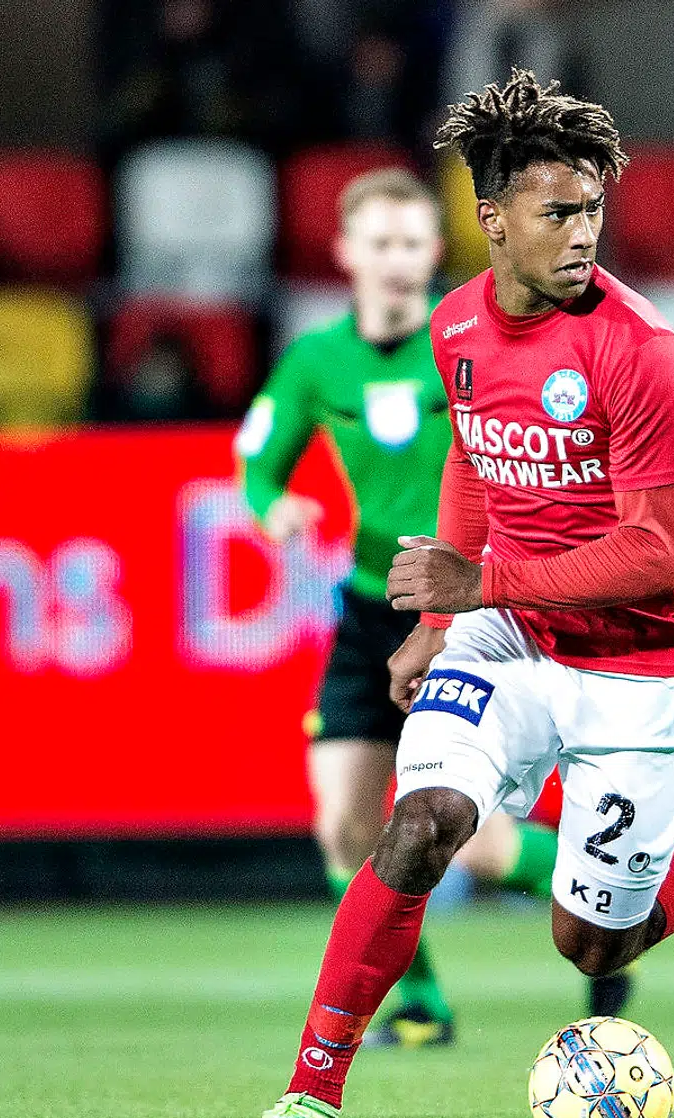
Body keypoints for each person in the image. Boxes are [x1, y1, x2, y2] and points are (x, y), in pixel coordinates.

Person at [239, 69, 674, 1118]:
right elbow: (473, 456)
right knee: (419, 826)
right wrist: (438, 624)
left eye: (594, 209)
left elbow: (654, 555)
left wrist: (477, 586)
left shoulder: (644, 353)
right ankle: (308, 1093)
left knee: (594, 946)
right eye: (559, 211)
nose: (583, 233)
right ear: (493, 218)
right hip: (510, 635)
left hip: (646, 660)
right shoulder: (458, 325)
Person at [235, 166, 612, 1050]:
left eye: (412, 243)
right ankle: (419, 1003)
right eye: (381, 243)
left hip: (462, 611)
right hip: (371, 611)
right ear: (346, 253)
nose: (398, 260)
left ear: (434, 249)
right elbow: (257, 461)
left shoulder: (466, 335)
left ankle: (607, 898)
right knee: (343, 824)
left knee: (471, 839)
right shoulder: (315, 361)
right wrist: (273, 507)